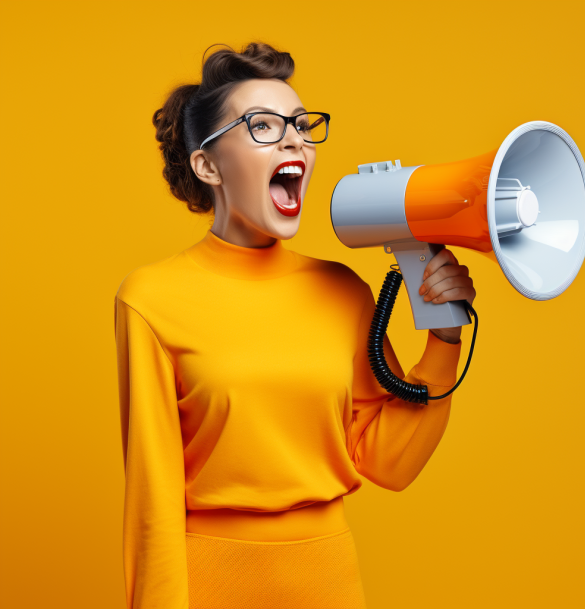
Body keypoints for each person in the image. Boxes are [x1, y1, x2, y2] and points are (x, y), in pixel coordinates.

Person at [114, 41, 476, 609]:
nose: (294, 139)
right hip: (210, 582)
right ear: (208, 165)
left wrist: (444, 338)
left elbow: (390, 462)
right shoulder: (152, 299)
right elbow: (151, 502)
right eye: (262, 126)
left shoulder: (344, 291)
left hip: (328, 582)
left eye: (302, 125)